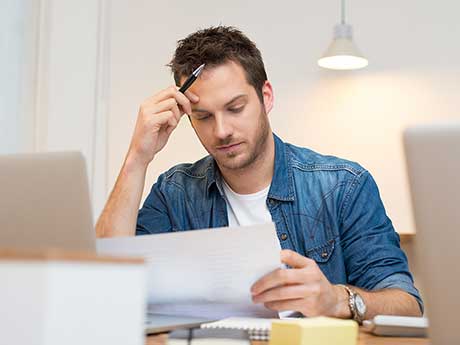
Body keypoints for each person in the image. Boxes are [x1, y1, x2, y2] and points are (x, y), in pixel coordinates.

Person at [96, 26, 422, 321]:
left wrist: (336, 300)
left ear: (266, 97)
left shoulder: (343, 186)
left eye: (235, 108)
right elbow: (104, 285)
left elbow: (406, 304)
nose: (222, 131)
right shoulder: (175, 192)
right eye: (204, 116)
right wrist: (137, 158)